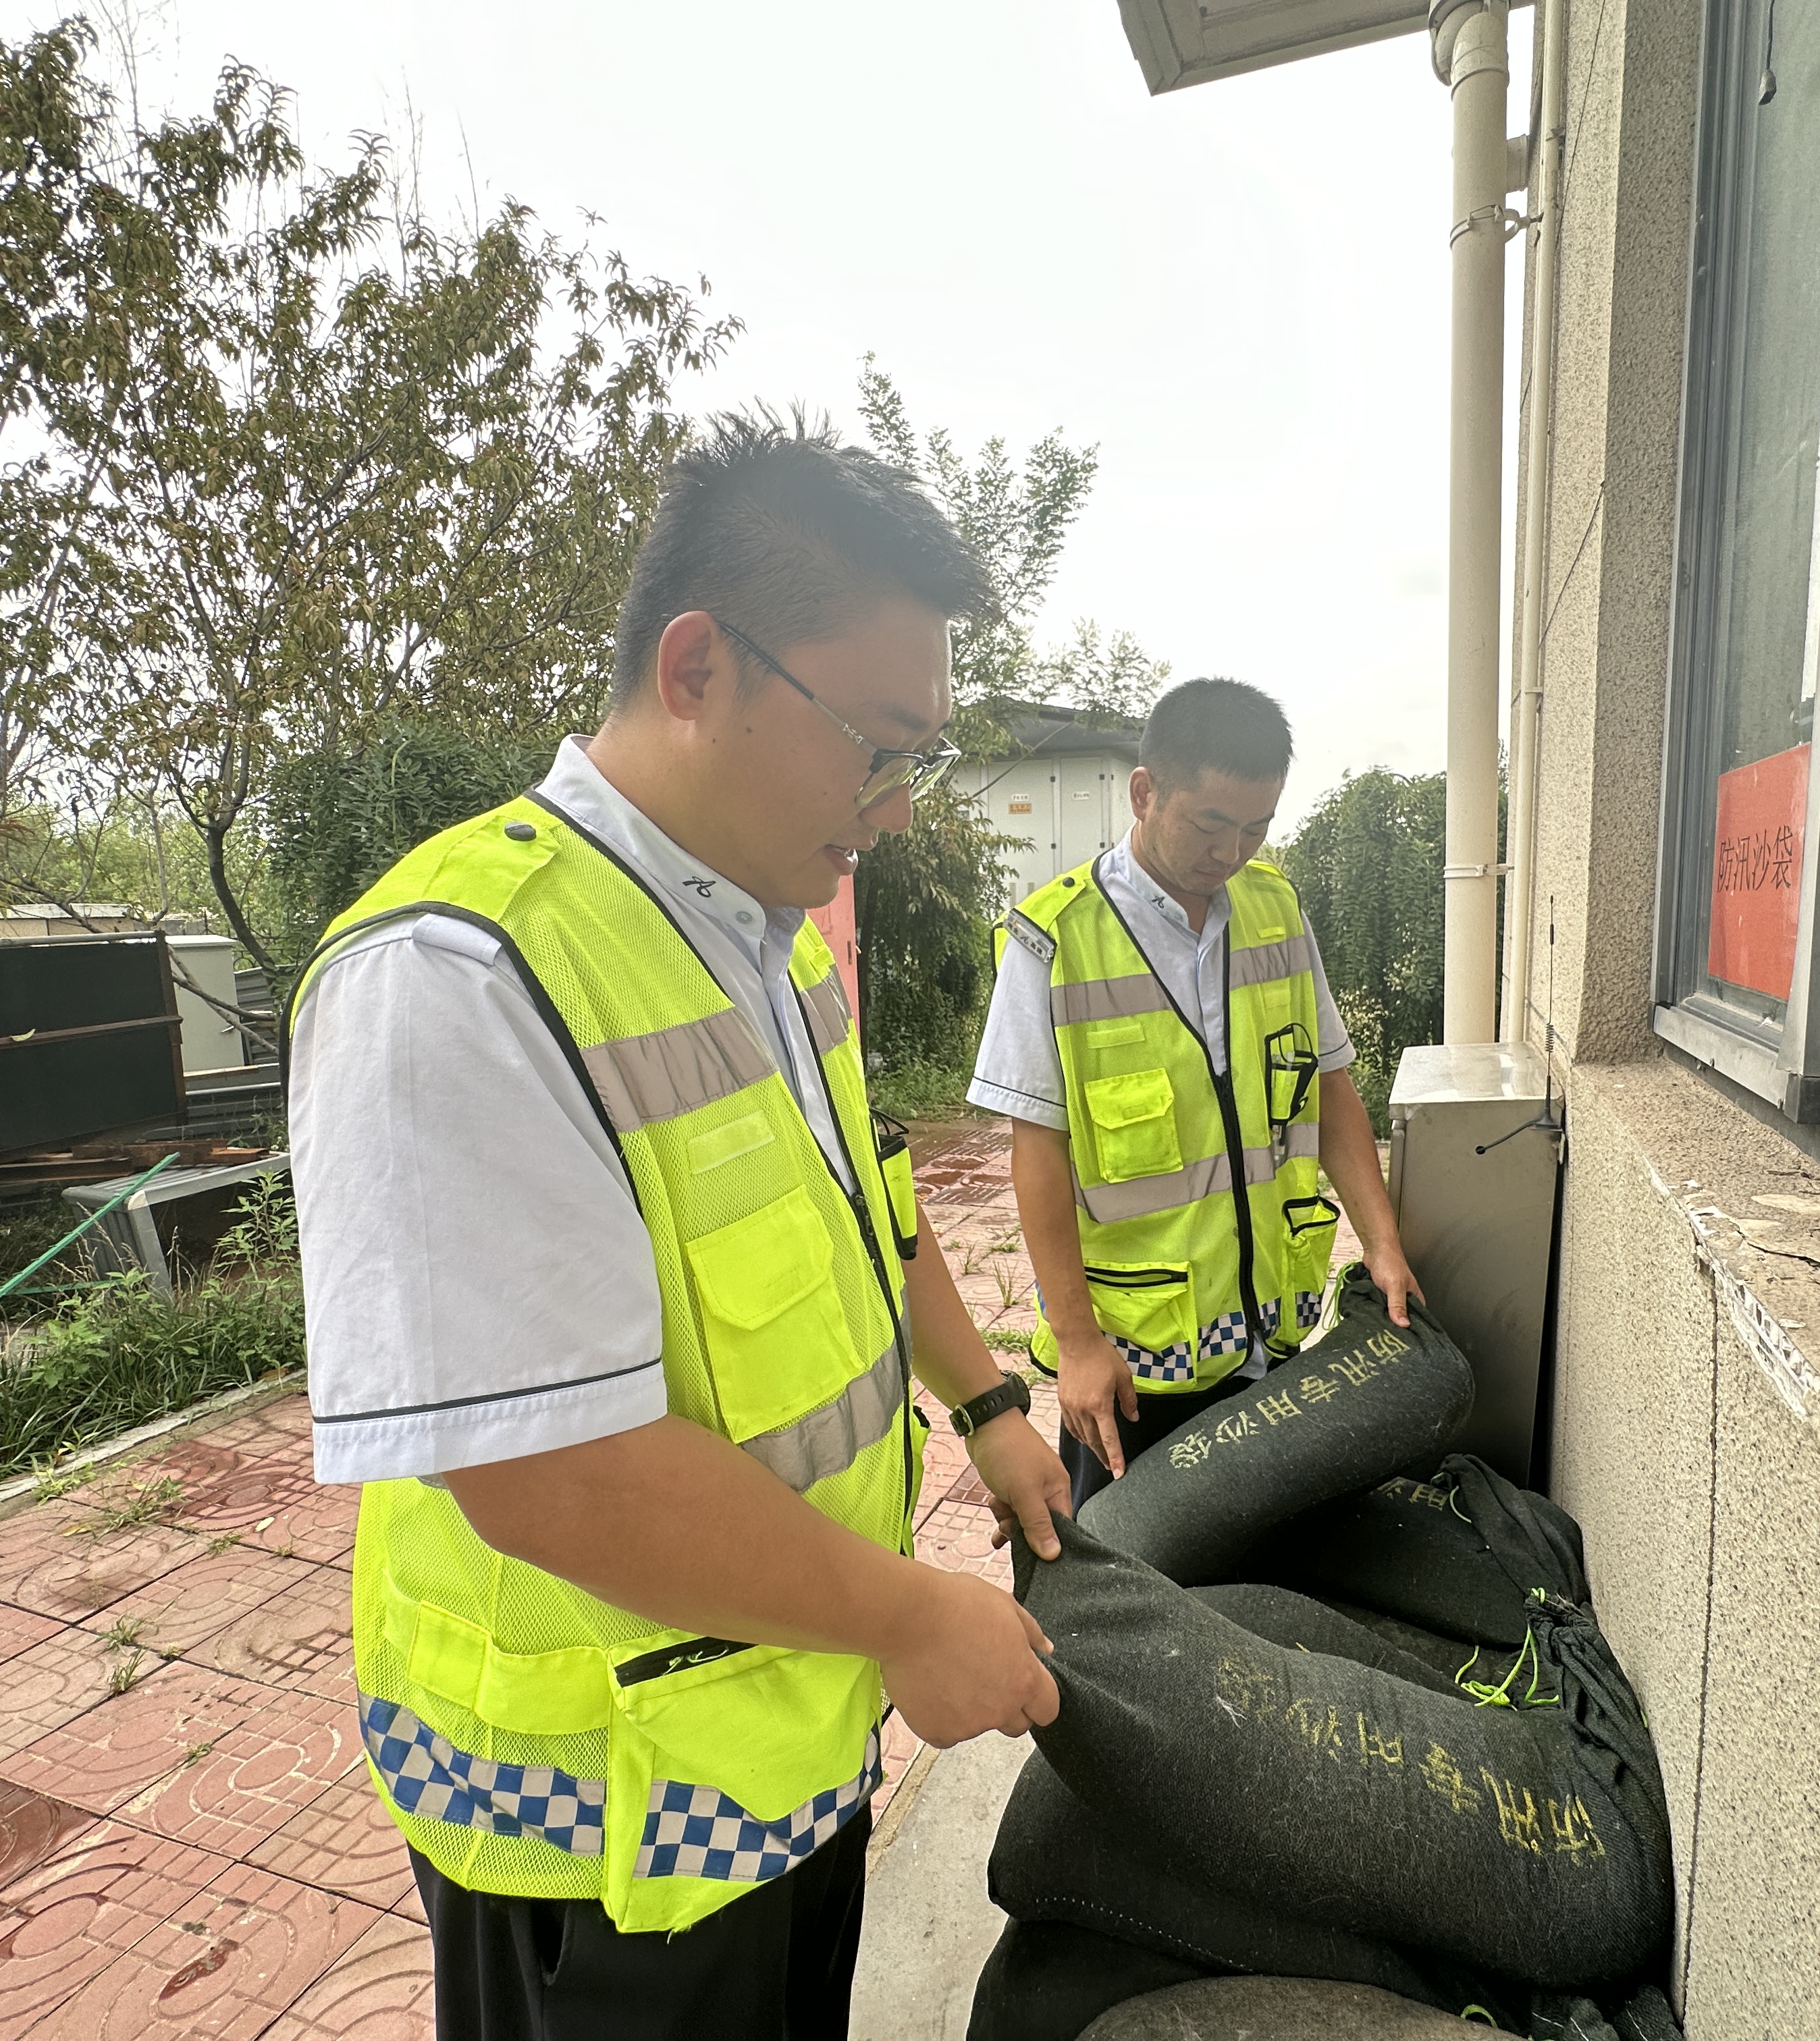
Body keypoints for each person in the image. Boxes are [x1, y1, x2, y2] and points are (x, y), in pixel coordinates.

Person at [289, 414, 1071, 2041]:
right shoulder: (460, 976)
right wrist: (912, 1615)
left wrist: (990, 1403)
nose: (897, 808)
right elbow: (547, 1473)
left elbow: (872, 1215)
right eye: (878, 745)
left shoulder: (781, 950)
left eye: (919, 758)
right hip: (598, 1840)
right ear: (699, 667)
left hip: (786, 1750)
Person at [967, 678, 1421, 1508]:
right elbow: (1038, 1151)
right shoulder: (1054, 938)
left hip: (1271, 1340)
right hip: (1136, 1362)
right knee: (1131, 1568)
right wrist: (1076, 1341)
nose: (1231, 852)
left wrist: (1382, 1243)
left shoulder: (1275, 910)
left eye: (1256, 827)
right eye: (1210, 825)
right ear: (1145, 793)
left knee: (1259, 1562)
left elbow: (1328, 1086)